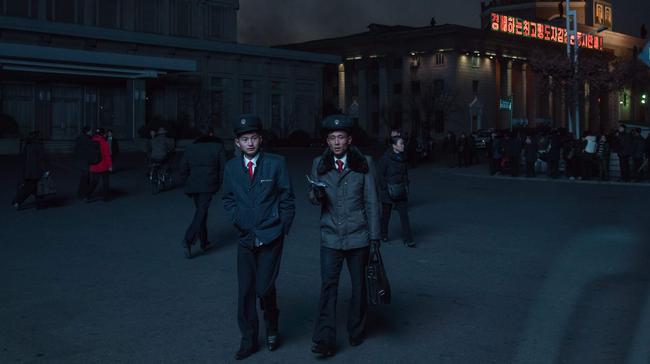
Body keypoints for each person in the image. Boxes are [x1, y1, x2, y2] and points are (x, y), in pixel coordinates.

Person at [222, 114, 295, 360]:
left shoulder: (276, 163)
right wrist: (237, 219)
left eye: (253, 138)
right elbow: (228, 198)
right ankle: (248, 340)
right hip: (245, 237)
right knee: (245, 292)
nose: (250, 143)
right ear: (237, 143)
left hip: (271, 236)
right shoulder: (231, 168)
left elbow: (287, 197)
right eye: (245, 139)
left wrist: (282, 225)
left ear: (260, 139)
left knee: (264, 288)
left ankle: (272, 324)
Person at [308, 114, 381, 358]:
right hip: (330, 237)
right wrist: (316, 195)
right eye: (332, 138)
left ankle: (356, 330)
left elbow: (372, 202)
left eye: (341, 137)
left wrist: (374, 238)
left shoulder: (365, 163)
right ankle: (324, 339)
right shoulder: (319, 163)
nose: (336, 142)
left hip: (359, 237)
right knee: (328, 287)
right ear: (327, 141)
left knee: (359, 286)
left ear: (349, 140)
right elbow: (312, 196)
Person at [179, 128, 226, 258]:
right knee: (202, 211)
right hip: (208, 184)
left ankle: (204, 242)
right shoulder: (218, 147)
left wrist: (186, 181)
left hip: (193, 184)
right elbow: (223, 168)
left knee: (201, 211)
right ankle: (188, 239)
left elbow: (183, 167)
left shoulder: (191, 148)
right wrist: (221, 184)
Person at [378, 135, 414, 247]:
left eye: (403, 143)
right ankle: (383, 234)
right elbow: (380, 175)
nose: (403, 145)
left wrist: (406, 185)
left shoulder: (403, 157)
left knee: (404, 215)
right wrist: (386, 188)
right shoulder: (385, 159)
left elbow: (405, 174)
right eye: (401, 144)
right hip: (388, 191)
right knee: (386, 215)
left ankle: (408, 239)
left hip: (401, 190)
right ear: (394, 146)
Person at [12, 131, 47, 210]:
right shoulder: (39, 147)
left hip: (28, 172)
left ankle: (18, 202)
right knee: (36, 188)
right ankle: (17, 201)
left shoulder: (27, 146)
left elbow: (23, 160)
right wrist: (45, 171)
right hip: (37, 171)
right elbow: (42, 160)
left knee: (34, 187)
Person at [86, 128, 112, 202]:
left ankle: (87, 195)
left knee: (94, 181)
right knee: (105, 181)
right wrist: (110, 166)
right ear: (103, 134)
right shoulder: (104, 142)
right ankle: (105, 197)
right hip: (103, 165)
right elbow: (107, 155)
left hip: (93, 166)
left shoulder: (91, 141)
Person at [73, 126, 97, 199]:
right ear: (87, 131)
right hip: (85, 161)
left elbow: (76, 150)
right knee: (86, 178)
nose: (91, 132)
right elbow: (91, 150)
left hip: (80, 160)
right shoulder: (87, 140)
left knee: (84, 177)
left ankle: (81, 194)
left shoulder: (79, 138)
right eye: (90, 131)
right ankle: (84, 194)